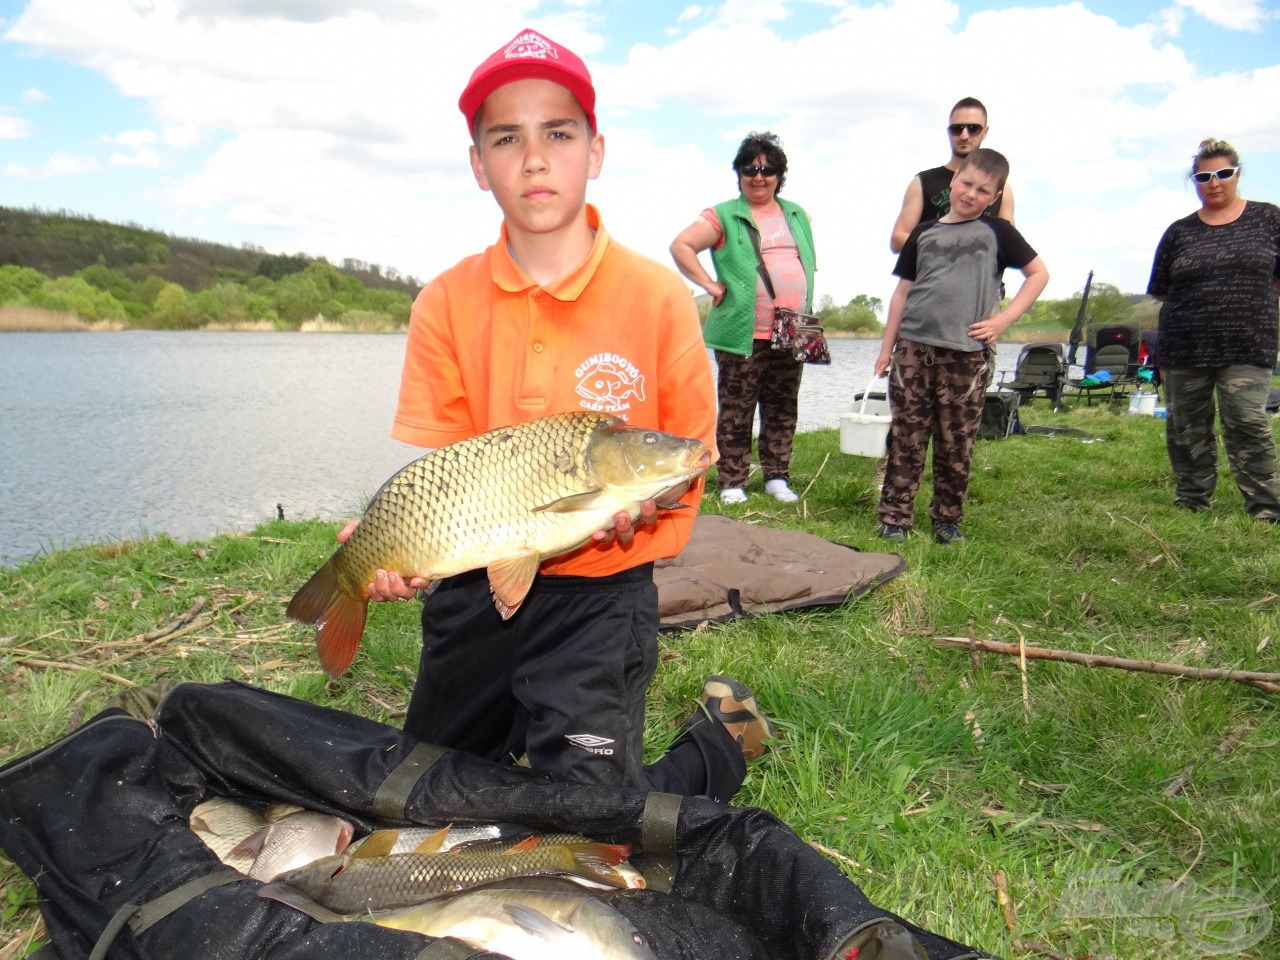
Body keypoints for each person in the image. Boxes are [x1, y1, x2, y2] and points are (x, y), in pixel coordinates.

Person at [340, 29, 774, 801]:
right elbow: (447, 476)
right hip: (476, 591)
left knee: (591, 817)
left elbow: (689, 457)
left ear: (595, 151)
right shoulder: (444, 302)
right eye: (507, 137)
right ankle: (514, 732)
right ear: (479, 163)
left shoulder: (659, 300)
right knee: (418, 800)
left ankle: (723, 739)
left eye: (558, 133)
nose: (534, 157)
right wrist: (392, 547)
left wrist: (638, 508)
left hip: (600, 597)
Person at [874, 148, 1048, 544]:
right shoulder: (923, 233)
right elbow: (901, 293)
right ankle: (895, 518)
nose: (971, 194)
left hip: (966, 355)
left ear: (995, 196)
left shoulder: (998, 233)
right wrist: (886, 350)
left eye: (983, 190)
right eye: (966, 183)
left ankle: (947, 521)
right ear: (954, 181)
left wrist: (1004, 320)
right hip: (913, 350)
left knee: (957, 440)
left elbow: (1038, 274)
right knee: (907, 435)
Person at [669, 131, 817, 505]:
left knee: (783, 405)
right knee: (737, 408)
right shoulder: (722, 215)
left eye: (768, 170)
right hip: (743, 330)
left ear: (779, 176)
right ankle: (733, 480)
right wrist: (710, 285)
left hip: (791, 329)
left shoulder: (797, 213)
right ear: (738, 173)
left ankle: (777, 477)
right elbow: (681, 245)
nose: (758, 176)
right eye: (750, 168)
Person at [1146, 138, 1280, 522]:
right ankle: (1191, 501)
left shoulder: (1268, 218)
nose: (1214, 182)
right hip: (1185, 346)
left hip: (1248, 344)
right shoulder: (1178, 232)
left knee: (1247, 421)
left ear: (1237, 175)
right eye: (1204, 176)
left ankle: (1266, 509)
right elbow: (1161, 288)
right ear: (1195, 180)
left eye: (1223, 173)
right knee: (1186, 427)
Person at [889, 97, 1015, 253]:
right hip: (931, 276)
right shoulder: (923, 182)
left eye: (973, 128)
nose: (964, 135)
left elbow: (1010, 245)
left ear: (985, 132)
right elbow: (897, 239)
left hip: (981, 276)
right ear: (948, 131)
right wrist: (944, 243)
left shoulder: (1002, 189)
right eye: (957, 128)